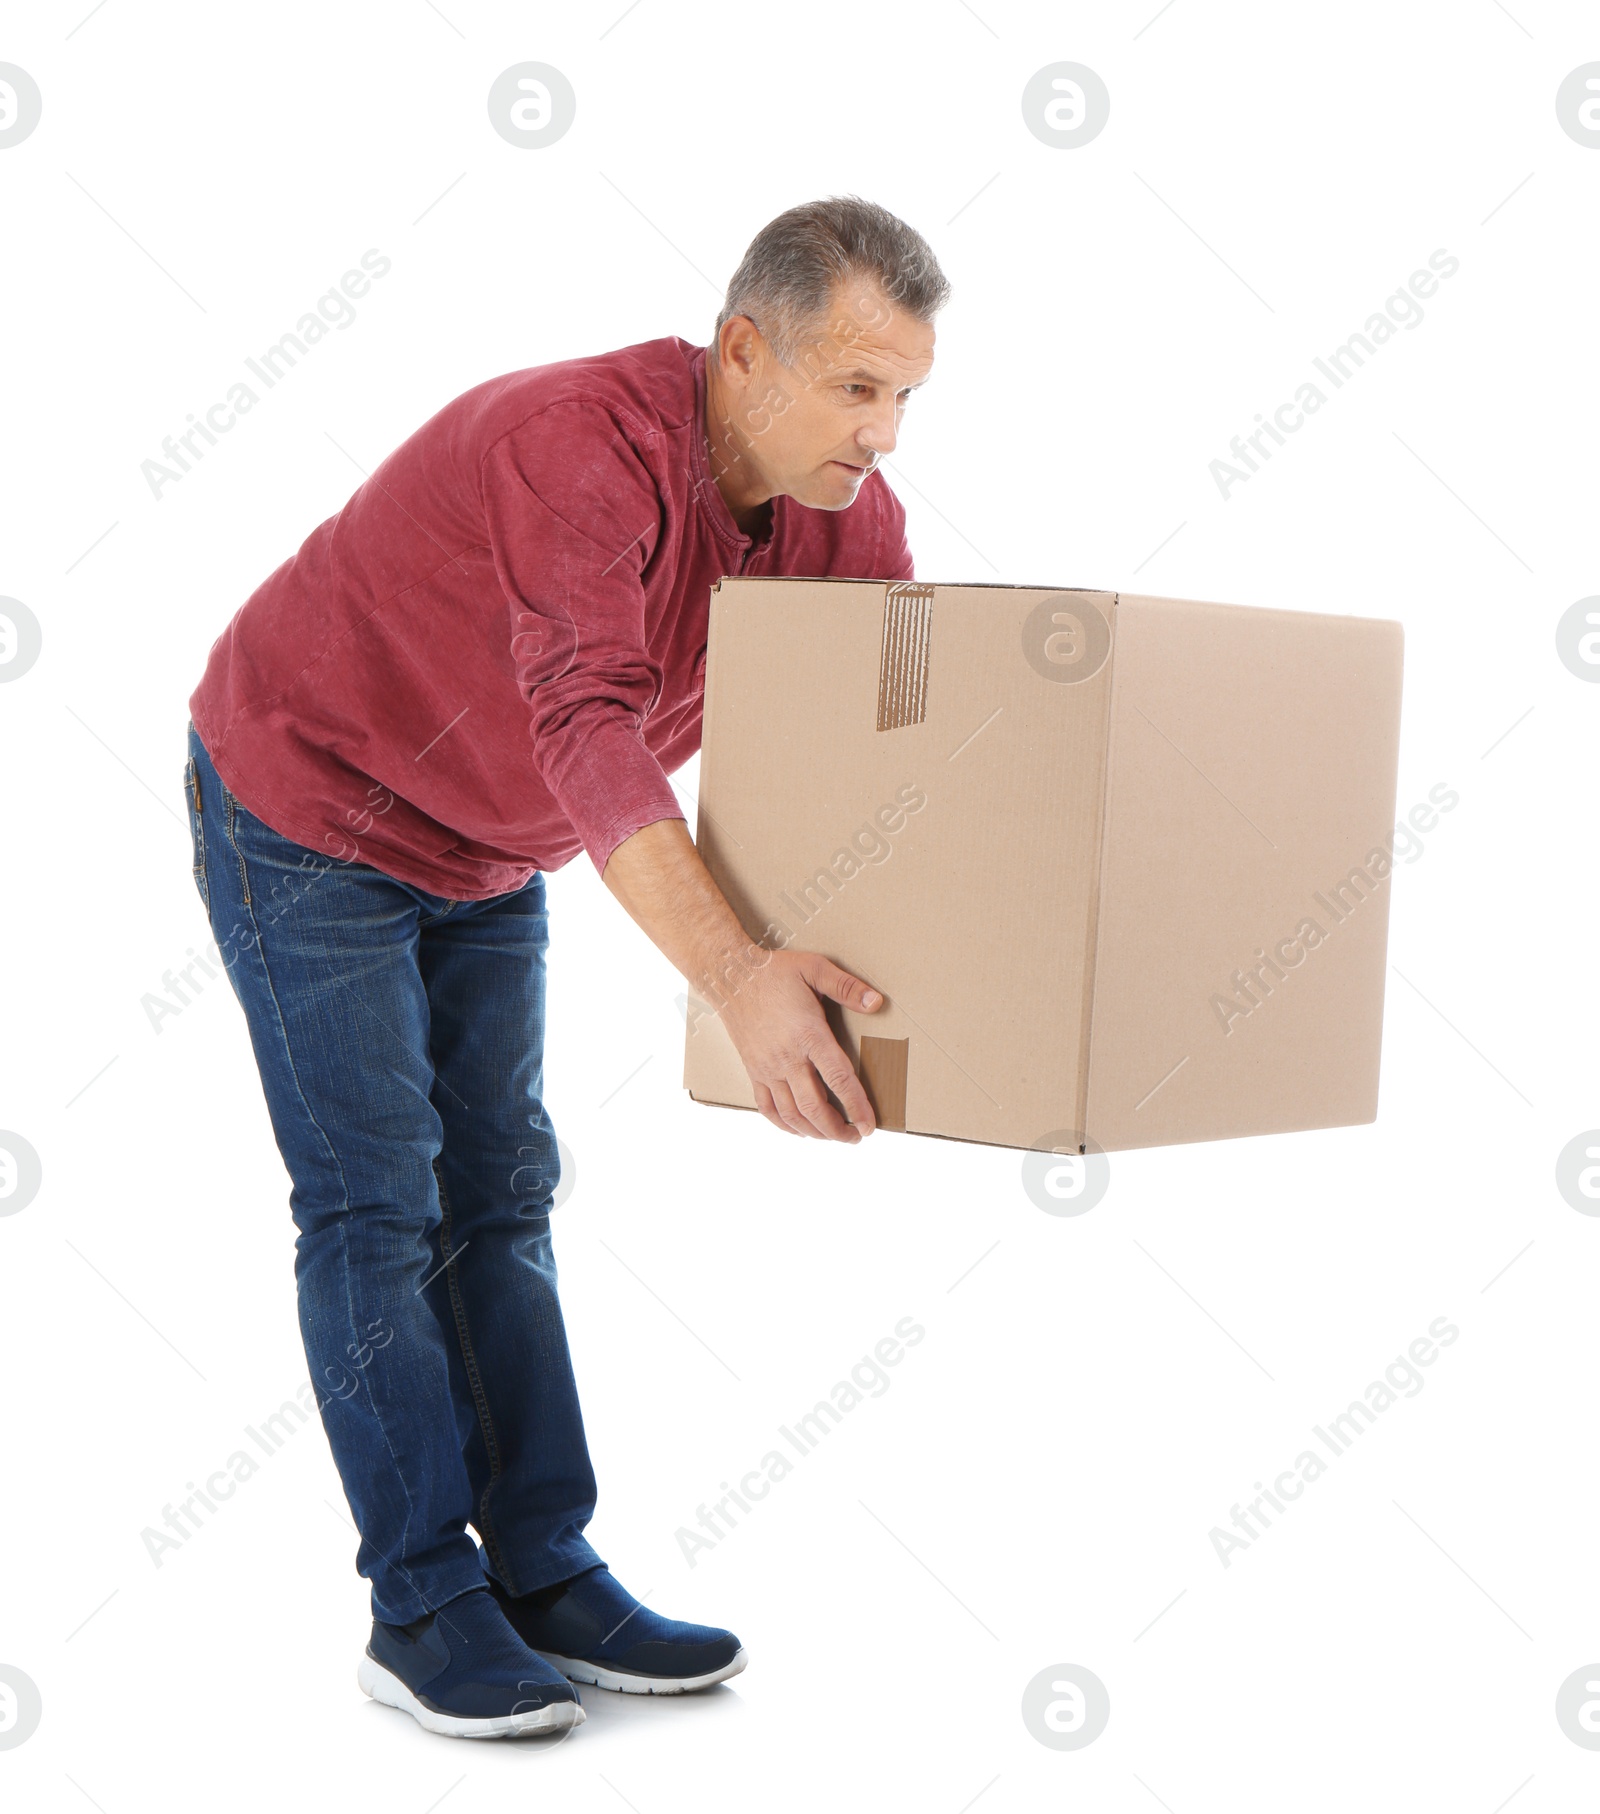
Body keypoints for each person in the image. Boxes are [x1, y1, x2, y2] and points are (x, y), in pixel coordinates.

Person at [182, 195, 947, 1739]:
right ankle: (421, 1604)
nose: (885, 434)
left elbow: (883, 725)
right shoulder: (578, 444)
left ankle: (541, 1561)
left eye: (908, 397)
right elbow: (589, 722)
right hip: (312, 796)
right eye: (859, 388)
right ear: (746, 352)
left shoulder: (845, 517)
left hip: (485, 843)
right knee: (378, 1197)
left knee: (505, 1191)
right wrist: (734, 973)